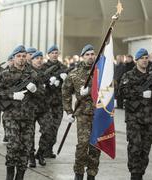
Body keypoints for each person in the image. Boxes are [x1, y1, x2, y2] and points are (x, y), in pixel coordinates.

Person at [0, 45, 42, 180]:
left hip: (28, 117)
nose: (21, 59)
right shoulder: (4, 74)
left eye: (24, 56)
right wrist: (12, 95)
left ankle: (20, 176)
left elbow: (42, 94)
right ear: (13, 58)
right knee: (14, 147)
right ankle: (9, 176)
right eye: (18, 56)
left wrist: (35, 90)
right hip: (11, 116)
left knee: (25, 149)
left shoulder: (33, 74)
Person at [119, 48, 152, 180]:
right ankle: (134, 175)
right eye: (142, 58)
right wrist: (140, 93)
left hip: (148, 119)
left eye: (146, 58)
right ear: (136, 60)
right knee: (135, 148)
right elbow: (122, 93)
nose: (145, 60)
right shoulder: (128, 75)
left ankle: (140, 173)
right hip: (133, 119)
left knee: (145, 149)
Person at [62, 44, 101, 180]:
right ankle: (78, 175)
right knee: (82, 146)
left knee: (95, 147)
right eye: (87, 54)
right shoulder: (74, 74)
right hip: (83, 114)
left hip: (99, 115)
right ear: (82, 56)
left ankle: (91, 175)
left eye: (92, 54)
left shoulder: (100, 72)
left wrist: (90, 90)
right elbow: (65, 92)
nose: (90, 57)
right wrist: (68, 111)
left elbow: (109, 88)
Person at [42, 45, 67, 158]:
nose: (54, 54)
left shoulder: (63, 67)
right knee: (47, 127)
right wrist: (48, 82)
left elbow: (69, 86)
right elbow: (39, 81)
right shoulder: (43, 67)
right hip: (46, 103)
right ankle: (42, 150)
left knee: (55, 127)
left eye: (56, 52)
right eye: (52, 52)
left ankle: (49, 149)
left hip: (58, 102)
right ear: (48, 54)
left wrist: (64, 80)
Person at [29, 51, 48, 168]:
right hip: (30, 108)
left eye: (41, 58)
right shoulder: (26, 72)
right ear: (32, 60)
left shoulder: (46, 72)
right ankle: (31, 156)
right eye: (36, 58)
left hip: (44, 108)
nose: (39, 60)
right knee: (29, 134)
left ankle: (40, 153)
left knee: (48, 131)